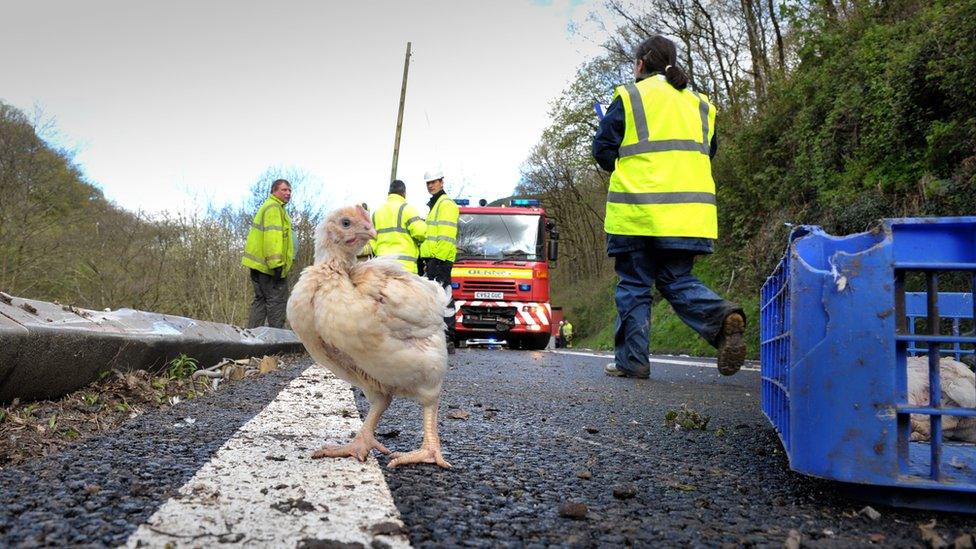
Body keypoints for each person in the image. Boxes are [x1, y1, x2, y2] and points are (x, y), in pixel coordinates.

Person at [592, 35, 746, 379]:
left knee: (634, 285)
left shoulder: (631, 97)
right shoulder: (701, 104)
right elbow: (709, 151)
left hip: (638, 214)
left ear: (641, 64)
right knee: (675, 279)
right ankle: (722, 318)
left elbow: (603, 150)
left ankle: (632, 362)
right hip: (689, 218)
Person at [242, 179, 295, 329]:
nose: (288, 193)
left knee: (260, 300)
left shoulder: (268, 206)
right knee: (276, 301)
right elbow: (273, 237)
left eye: (290, 190)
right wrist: (277, 265)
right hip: (270, 267)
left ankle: (251, 339)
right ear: (274, 191)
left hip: (258, 266)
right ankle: (275, 343)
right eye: (284, 190)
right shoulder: (274, 208)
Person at [419, 168, 460, 354]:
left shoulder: (446, 204)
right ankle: (441, 336)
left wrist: (438, 259)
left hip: (440, 259)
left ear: (442, 182)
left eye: (434, 182)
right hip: (434, 258)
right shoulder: (435, 205)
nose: (430, 185)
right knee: (438, 297)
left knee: (445, 296)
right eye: (428, 182)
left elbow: (446, 235)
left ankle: (449, 337)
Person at [362, 180, 427, 273]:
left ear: (389, 194)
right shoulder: (409, 209)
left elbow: (371, 238)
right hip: (405, 267)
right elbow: (421, 232)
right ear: (404, 194)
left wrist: (378, 251)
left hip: (383, 266)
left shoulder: (377, 213)